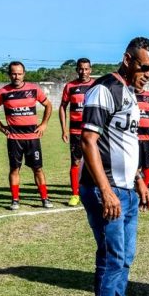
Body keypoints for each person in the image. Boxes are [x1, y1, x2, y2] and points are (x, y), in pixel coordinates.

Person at [79, 36, 149, 296]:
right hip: (105, 190)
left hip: (126, 189)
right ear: (127, 59)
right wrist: (107, 190)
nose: (148, 74)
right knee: (112, 256)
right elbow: (87, 140)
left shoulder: (129, 94)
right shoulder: (104, 89)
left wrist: (139, 180)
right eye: (143, 67)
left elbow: (124, 143)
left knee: (125, 255)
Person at [0, 61, 53, 210]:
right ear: (9, 74)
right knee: (14, 169)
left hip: (32, 138)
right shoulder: (3, 92)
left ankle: (45, 198)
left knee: (38, 169)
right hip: (14, 139)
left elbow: (48, 105)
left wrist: (43, 124)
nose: (16, 76)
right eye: (13, 73)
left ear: (24, 74)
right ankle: (15, 200)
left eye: (19, 73)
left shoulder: (34, 89)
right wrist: (0, 126)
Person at [59, 58, 96, 206]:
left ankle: (95, 191)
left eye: (86, 69)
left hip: (93, 131)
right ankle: (75, 194)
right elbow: (62, 107)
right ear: (77, 70)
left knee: (95, 161)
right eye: (81, 69)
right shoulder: (70, 86)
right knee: (75, 162)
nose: (83, 72)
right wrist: (64, 129)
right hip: (75, 131)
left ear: (90, 70)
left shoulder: (96, 85)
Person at [135, 85, 149, 186]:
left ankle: (146, 187)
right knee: (134, 166)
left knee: (147, 165)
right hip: (133, 137)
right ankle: (133, 187)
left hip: (147, 137)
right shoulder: (129, 95)